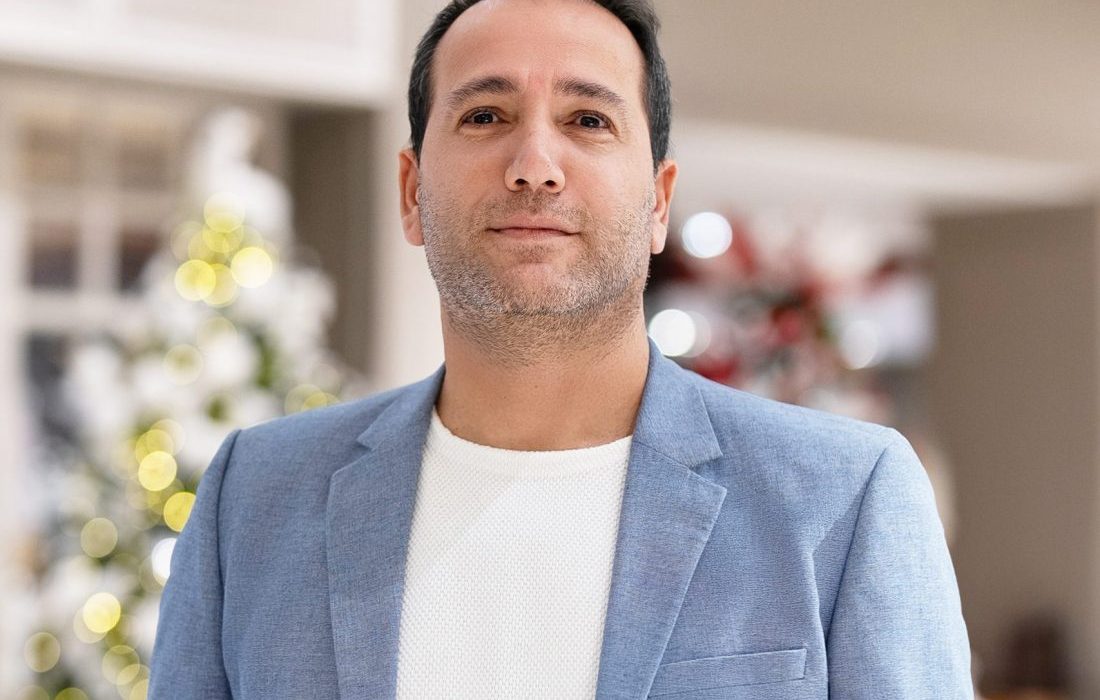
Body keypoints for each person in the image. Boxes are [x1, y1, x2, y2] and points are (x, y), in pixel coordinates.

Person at [149, 0, 973, 698]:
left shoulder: (842, 499)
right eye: (485, 116)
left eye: (588, 120)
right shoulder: (254, 497)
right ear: (411, 192)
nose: (534, 166)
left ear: (658, 202)